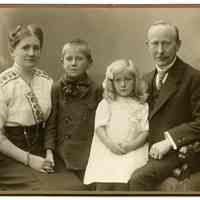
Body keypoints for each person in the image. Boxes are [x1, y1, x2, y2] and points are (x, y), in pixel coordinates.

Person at [0, 24, 84, 191]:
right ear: (12, 51)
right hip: (10, 156)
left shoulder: (47, 81)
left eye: (36, 48)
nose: (32, 53)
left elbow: (52, 124)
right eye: (25, 47)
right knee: (52, 191)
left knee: (76, 187)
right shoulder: (3, 84)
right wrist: (30, 160)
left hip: (43, 151)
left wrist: (49, 153)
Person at [129, 20, 200, 191]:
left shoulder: (193, 78)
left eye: (166, 44)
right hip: (145, 148)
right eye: (155, 44)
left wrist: (170, 141)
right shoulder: (145, 80)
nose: (160, 51)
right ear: (148, 45)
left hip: (176, 151)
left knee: (138, 180)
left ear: (178, 45)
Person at [84, 59, 149, 191]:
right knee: (104, 183)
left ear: (135, 81)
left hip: (131, 151)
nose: (123, 84)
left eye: (128, 80)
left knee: (124, 183)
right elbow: (99, 127)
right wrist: (111, 145)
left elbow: (145, 131)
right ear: (111, 82)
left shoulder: (141, 105)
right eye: (118, 80)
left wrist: (132, 145)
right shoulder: (106, 103)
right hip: (108, 149)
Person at [44, 39, 102, 186]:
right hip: (61, 154)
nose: (73, 63)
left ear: (89, 62)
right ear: (62, 61)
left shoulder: (97, 90)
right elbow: (51, 123)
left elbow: (101, 125)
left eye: (79, 58)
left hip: (88, 154)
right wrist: (49, 151)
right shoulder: (56, 88)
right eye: (69, 59)